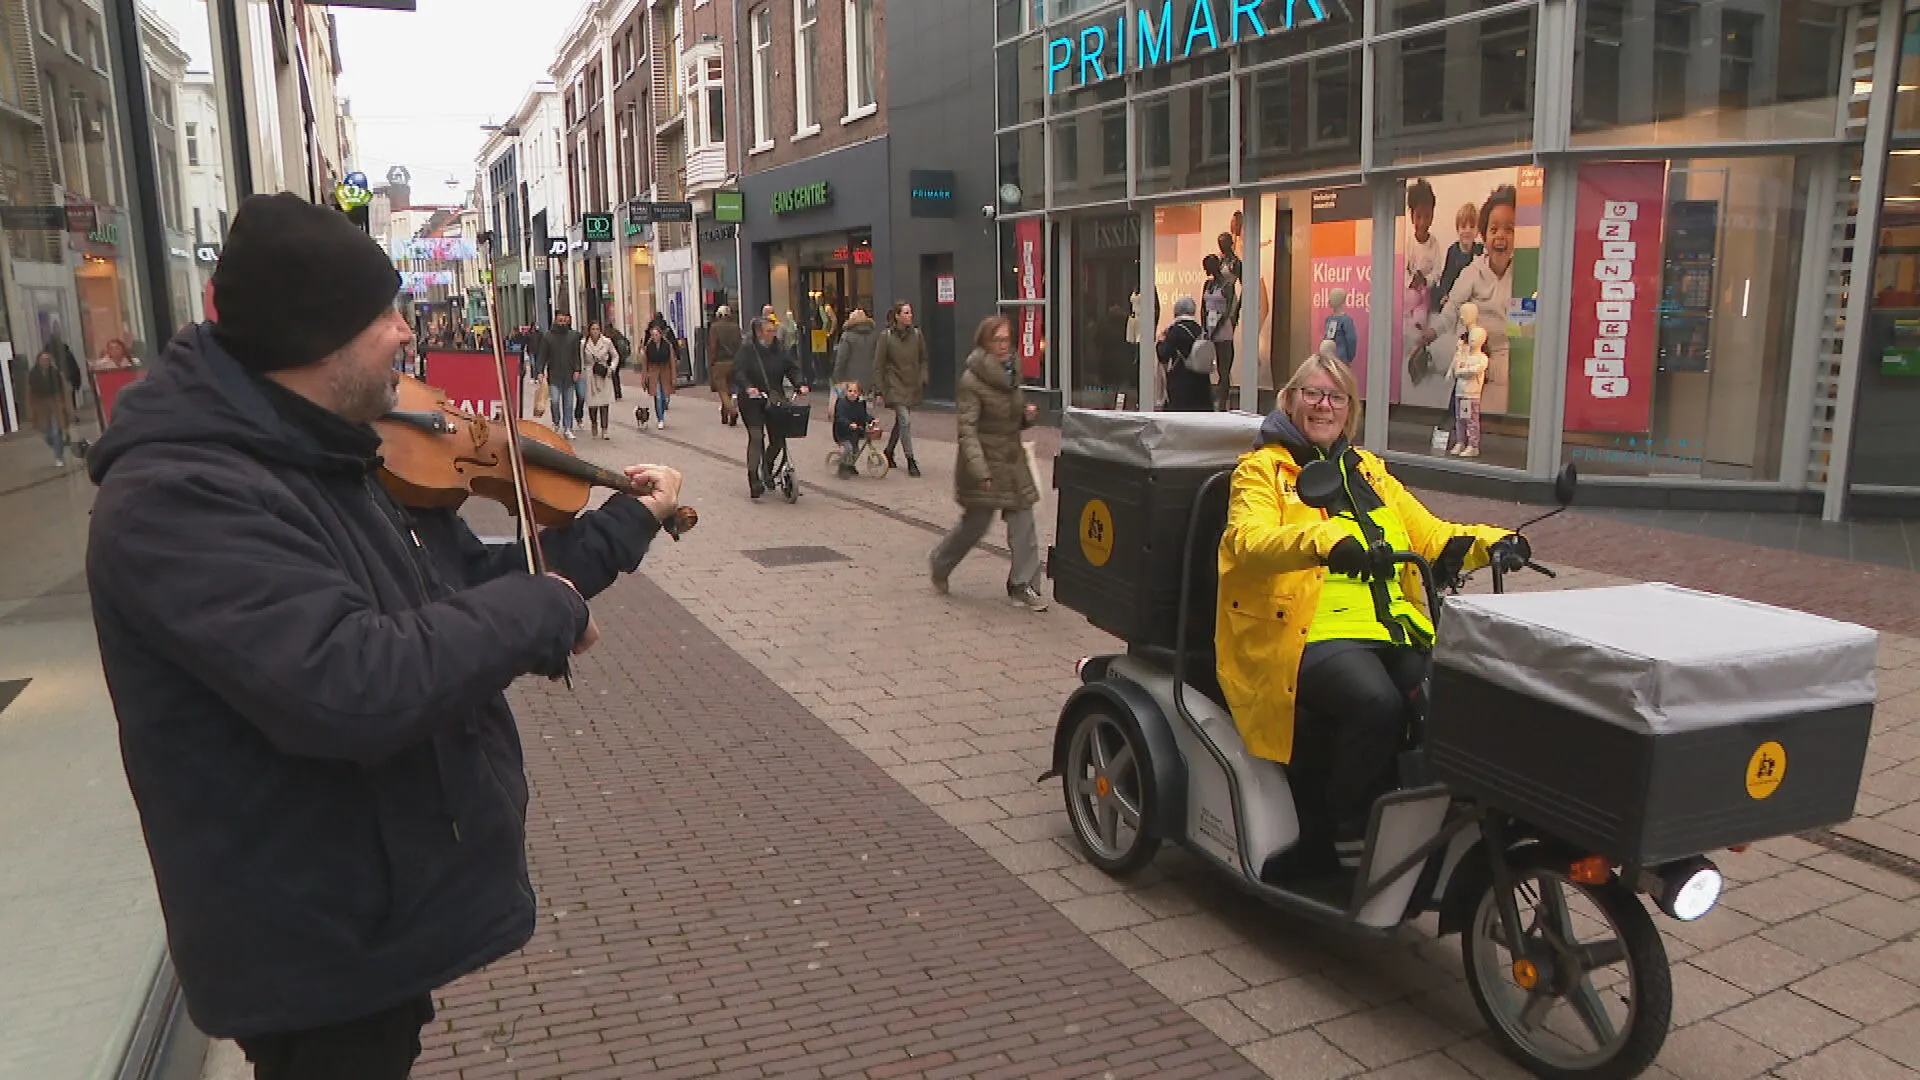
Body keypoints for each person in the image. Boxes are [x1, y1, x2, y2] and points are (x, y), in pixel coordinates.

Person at [82, 191, 684, 1079]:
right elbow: (354, 682)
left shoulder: (324, 454)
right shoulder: (182, 497)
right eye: (388, 314)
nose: (409, 337)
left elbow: (459, 594)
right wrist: (547, 611)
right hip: (309, 942)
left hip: (362, 918)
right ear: (319, 336)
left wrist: (619, 529)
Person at [1216, 349, 1518, 872]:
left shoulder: (1367, 471)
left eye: (1336, 397)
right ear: (1290, 399)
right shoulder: (1262, 469)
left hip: (1390, 626)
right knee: (1377, 704)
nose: (1324, 406)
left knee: (1448, 697)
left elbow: (1429, 536)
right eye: (1312, 393)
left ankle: (1429, 823)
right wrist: (1324, 539)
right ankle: (1341, 828)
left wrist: (1496, 542)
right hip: (1303, 630)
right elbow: (1248, 538)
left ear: (1348, 409)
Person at [930, 316, 1047, 612]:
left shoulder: (1012, 374)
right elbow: (967, 429)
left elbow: (1013, 416)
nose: (1004, 346)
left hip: (1012, 458)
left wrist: (1026, 416)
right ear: (985, 343)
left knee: (1024, 520)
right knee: (976, 524)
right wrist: (979, 470)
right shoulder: (972, 381)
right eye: (998, 340)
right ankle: (941, 562)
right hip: (983, 461)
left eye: (1007, 340)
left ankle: (1022, 585)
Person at [1425, 187, 1514, 412]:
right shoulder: (1472, 271)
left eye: (1509, 229)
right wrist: (1431, 333)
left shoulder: (1524, 273)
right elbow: (1452, 307)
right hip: (1473, 356)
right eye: (1494, 229)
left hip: (1507, 363)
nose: (1501, 235)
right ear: (1484, 235)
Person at [732, 315, 809, 499]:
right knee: (757, 436)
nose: (773, 334)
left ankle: (767, 465)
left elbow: (791, 368)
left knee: (778, 439)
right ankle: (754, 479)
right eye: (769, 331)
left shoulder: (779, 349)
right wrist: (749, 387)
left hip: (774, 399)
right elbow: (738, 371)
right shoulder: (747, 349)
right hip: (751, 401)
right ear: (758, 332)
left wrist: (800, 383)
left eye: (774, 331)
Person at [872, 301, 928, 478]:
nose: (909, 315)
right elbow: (878, 365)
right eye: (905, 312)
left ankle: (889, 451)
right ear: (897, 315)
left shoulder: (917, 335)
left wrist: (923, 376)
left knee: (900, 422)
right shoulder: (886, 337)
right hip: (894, 384)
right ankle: (911, 459)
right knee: (905, 420)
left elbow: (923, 358)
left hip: (911, 383)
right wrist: (879, 390)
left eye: (910, 312)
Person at [1157, 296, 1214, 413]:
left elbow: (1163, 355)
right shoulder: (1201, 330)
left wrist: (1161, 342)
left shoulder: (1174, 331)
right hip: (1202, 386)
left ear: (1176, 312)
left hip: (1181, 383)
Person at [1201, 255, 1239, 411]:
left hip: (1222, 330)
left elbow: (1228, 310)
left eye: (1207, 267)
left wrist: (1216, 329)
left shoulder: (1227, 285)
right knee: (1207, 367)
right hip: (1209, 328)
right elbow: (1203, 307)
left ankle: (1222, 404)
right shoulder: (1208, 284)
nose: (1205, 270)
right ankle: (1208, 400)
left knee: (1223, 369)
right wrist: (1205, 328)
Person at [537, 311, 583, 438]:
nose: (562, 323)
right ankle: (556, 421)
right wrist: (540, 371)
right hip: (554, 375)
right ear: (555, 321)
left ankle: (568, 427)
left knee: (568, 404)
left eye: (564, 321)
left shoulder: (572, 336)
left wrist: (577, 369)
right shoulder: (548, 337)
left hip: (569, 375)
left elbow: (576, 355)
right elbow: (542, 355)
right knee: (555, 401)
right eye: (560, 321)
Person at [25, 348, 73, 467]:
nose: (45, 362)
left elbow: (64, 391)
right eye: (42, 359)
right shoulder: (32, 374)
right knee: (46, 433)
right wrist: (30, 411)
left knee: (57, 431)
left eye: (47, 359)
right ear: (38, 361)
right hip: (40, 405)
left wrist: (67, 408)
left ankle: (59, 457)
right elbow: (29, 394)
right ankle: (59, 444)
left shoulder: (56, 373)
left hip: (55, 403)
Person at [830, 308, 879, 408]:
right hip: (868, 379)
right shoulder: (874, 336)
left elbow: (841, 359)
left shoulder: (847, 336)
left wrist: (836, 378)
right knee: (864, 407)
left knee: (850, 408)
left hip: (850, 379)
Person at [832, 381, 879, 479]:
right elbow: (839, 417)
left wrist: (872, 419)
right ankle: (842, 466)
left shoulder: (860, 403)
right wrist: (849, 424)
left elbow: (863, 415)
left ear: (859, 393)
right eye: (850, 391)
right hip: (842, 432)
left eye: (855, 391)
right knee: (848, 448)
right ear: (846, 392)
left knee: (855, 450)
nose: (852, 393)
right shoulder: (841, 403)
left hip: (855, 432)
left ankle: (851, 465)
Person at [707, 305, 743, 427]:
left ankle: (732, 411)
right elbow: (740, 344)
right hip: (734, 361)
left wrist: (711, 361)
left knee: (722, 390)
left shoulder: (715, 327)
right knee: (728, 389)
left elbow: (713, 346)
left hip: (720, 362)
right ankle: (724, 415)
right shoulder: (735, 327)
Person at [582, 322, 617, 439]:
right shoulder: (584, 343)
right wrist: (581, 372)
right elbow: (581, 359)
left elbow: (615, 356)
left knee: (604, 402)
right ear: (589, 330)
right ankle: (594, 423)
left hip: (603, 373)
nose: (595, 331)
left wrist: (611, 368)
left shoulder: (607, 342)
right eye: (593, 329)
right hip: (590, 373)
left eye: (597, 329)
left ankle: (605, 429)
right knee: (592, 404)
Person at [642, 320, 675, 430]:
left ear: (660, 335)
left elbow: (672, 362)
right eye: (653, 335)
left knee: (665, 397)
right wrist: (644, 379)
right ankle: (660, 419)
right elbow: (645, 364)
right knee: (658, 396)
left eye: (656, 335)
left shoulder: (667, 345)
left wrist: (673, 378)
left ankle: (662, 413)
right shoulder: (648, 347)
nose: (655, 337)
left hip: (665, 372)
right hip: (654, 373)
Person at [607, 324, 631, 401]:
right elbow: (627, 341)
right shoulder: (617, 333)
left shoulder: (607, 335)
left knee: (613, 376)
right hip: (619, 357)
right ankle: (618, 393)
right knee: (616, 375)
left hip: (611, 358)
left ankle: (615, 392)